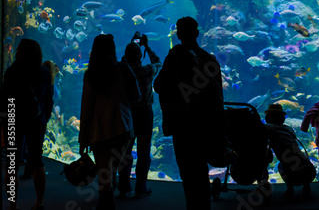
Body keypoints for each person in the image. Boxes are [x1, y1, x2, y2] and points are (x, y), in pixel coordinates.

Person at [154, 16, 226, 210]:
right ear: (197, 33)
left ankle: (193, 207)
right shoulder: (210, 60)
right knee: (201, 168)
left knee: (187, 170)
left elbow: (159, 85)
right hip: (206, 125)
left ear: (178, 34)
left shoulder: (175, 55)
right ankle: (204, 207)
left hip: (182, 124)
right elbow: (219, 97)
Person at [79, 34, 141, 210]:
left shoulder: (91, 75)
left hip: (100, 132)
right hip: (123, 129)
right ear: (113, 49)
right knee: (111, 172)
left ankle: (106, 203)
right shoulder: (124, 69)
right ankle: (109, 200)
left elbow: (86, 108)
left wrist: (83, 139)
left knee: (104, 177)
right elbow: (136, 97)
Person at [1, 39, 54, 210]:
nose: (16, 52)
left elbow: (6, 100)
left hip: (13, 120)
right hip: (36, 121)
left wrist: (6, 122)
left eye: (18, 49)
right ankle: (39, 202)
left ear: (22, 52)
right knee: (37, 161)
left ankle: (12, 205)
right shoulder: (45, 73)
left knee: (11, 164)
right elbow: (48, 101)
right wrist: (43, 119)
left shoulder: (12, 72)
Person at [118, 32, 162, 198]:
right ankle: (141, 186)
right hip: (145, 113)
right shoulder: (147, 70)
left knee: (126, 150)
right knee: (144, 150)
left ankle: (124, 185)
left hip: (128, 113)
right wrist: (146, 46)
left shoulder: (122, 71)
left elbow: (124, 61)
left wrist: (133, 45)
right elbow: (158, 62)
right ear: (139, 56)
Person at [264, 103, 315, 198]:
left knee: (280, 165)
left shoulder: (268, 129)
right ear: (282, 118)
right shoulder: (289, 129)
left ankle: (290, 189)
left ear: (267, 118)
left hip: (294, 175)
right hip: (310, 171)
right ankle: (306, 185)